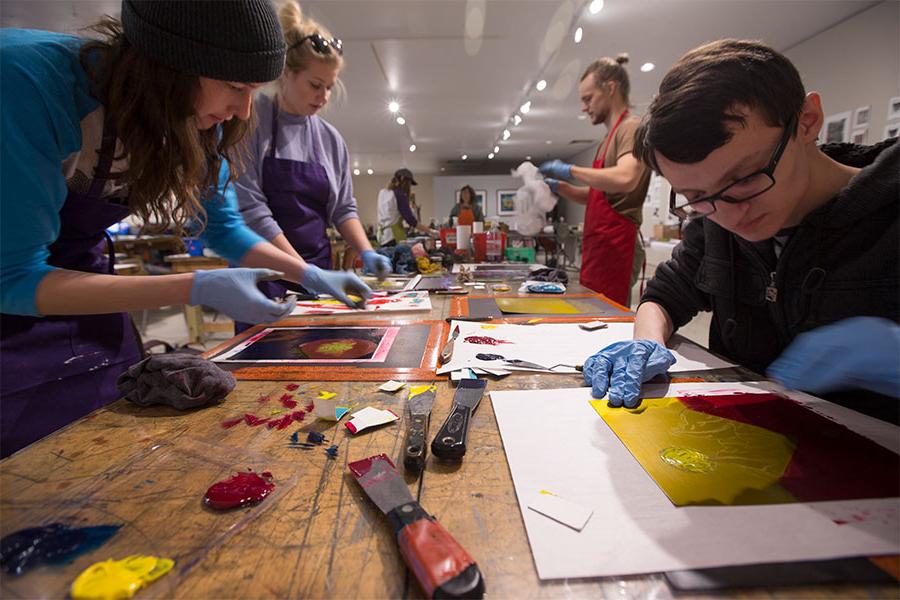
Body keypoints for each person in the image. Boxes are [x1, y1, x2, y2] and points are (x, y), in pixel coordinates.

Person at [0, 0, 370, 457]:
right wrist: (193, 286)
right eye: (235, 86)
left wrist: (305, 273)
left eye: (254, 89)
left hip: (83, 285)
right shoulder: (28, 85)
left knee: (109, 448)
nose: (241, 110)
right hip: (12, 309)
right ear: (167, 67)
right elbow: (13, 277)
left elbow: (227, 229)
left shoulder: (198, 121)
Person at [581, 39, 899, 414]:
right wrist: (648, 342)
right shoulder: (716, 217)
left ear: (807, 121)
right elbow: (667, 293)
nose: (730, 215)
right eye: (696, 195)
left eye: (746, 178)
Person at [234, 0, 391, 301]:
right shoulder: (248, 123)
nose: (324, 96)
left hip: (320, 273)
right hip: (263, 275)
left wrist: (366, 250)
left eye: (330, 87)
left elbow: (343, 208)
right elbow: (252, 212)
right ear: (285, 73)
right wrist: (304, 272)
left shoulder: (331, 140)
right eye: (316, 85)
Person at [540, 54, 651, 307]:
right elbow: (598, 195)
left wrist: (571, 170)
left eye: (588, 98)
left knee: (609, 318)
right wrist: (560, 187)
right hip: (600, 247)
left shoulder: (630, 128)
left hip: (618, 245)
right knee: (594, 313)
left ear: (610, 88)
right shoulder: (606, 140)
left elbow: (626, 178)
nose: (583, 106)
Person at [376, 168, 435, 246]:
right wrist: (430, 231)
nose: (409, 186)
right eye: (409, 183)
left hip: (381, 236)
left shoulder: (383, 192)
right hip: (393, 237)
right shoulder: (399, 195)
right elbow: (410, 220)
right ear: (402, 179)